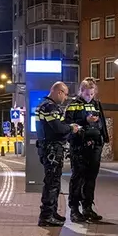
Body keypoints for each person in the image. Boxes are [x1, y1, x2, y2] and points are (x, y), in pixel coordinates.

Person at [63, 78, 109, 223]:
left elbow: (102, 122)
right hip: (79, 146)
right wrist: (85, 121)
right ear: (81, 91)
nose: (89, 96)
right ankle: (74, 210)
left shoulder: (96, 104)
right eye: (87, 94)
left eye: (92, 94)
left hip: (95, 146)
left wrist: (104, 139)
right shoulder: (73, 105)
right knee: (78, 178)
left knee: (91, 178)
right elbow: (68, 124)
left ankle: (88, 208)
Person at [36, 81, 79, 227]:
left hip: (49, 148)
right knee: (52, 183)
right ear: (59, 91)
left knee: (53, 181)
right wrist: (71, 128)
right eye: (65, 94)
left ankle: (52, 212)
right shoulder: (50, 107)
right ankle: (46, 216)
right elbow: (58, 128)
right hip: (52, 149)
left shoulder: (44, 105)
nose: (65, 98)